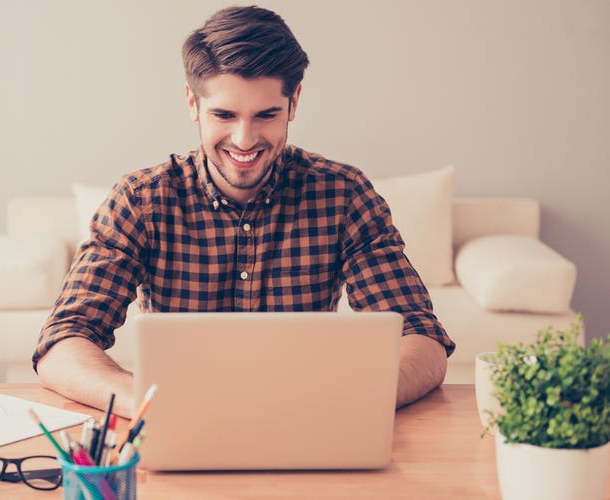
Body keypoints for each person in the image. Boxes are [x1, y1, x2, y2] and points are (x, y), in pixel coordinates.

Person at [33, 5, 455, 418]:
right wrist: (141, 401)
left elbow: (422, 337)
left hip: (309, 423)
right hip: (180, 425)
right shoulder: (140, 200)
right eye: (224, 114)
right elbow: (63, 340)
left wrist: (349, 400)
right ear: (192, 103)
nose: (244, 139)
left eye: (266, 115)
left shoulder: (344, 195)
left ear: (294, 103)